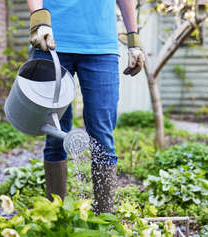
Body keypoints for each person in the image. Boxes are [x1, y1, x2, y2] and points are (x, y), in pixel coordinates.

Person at [26, 0, 145, 214]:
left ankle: (104, 222)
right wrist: (38, 18)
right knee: (55, 134)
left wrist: (133, 39)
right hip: (51, 40)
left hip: (101, 47)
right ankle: (54, 218)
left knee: (103, 136)